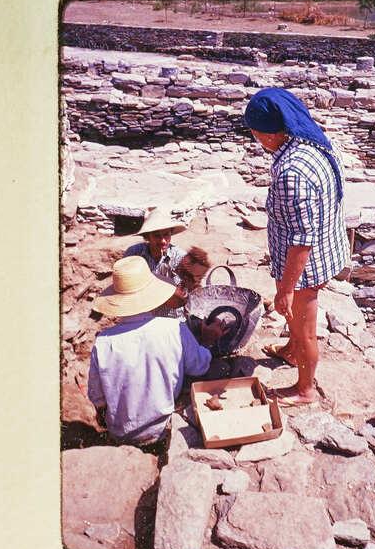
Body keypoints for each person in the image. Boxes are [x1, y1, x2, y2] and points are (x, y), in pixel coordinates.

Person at [244, 87, 350, 406]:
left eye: (257, 133)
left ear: (271, 133)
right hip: (324, 249)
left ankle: (304, 389)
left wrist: (286, 289)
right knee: (296, 324)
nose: (257, 139)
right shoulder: (310, 143)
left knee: (305, 328)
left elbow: (301, 239)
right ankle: (291, 352)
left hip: (306, 264)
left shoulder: (292, 172)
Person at [87, 256, 226, 449]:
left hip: (120, 433)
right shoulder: (173, 329)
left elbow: (98, 399)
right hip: (160, 429)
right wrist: (208, 341)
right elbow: (199, 367)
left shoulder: (103, 341)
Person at [123, 207, 209, 318]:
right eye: (157, 236)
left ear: (171, 234)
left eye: (166, 235)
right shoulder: (134, 253)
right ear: (147, 236)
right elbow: (126, 285)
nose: (163, 241)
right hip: (142, 314)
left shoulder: (179, 258)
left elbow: (188, 294)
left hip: (171, 317)